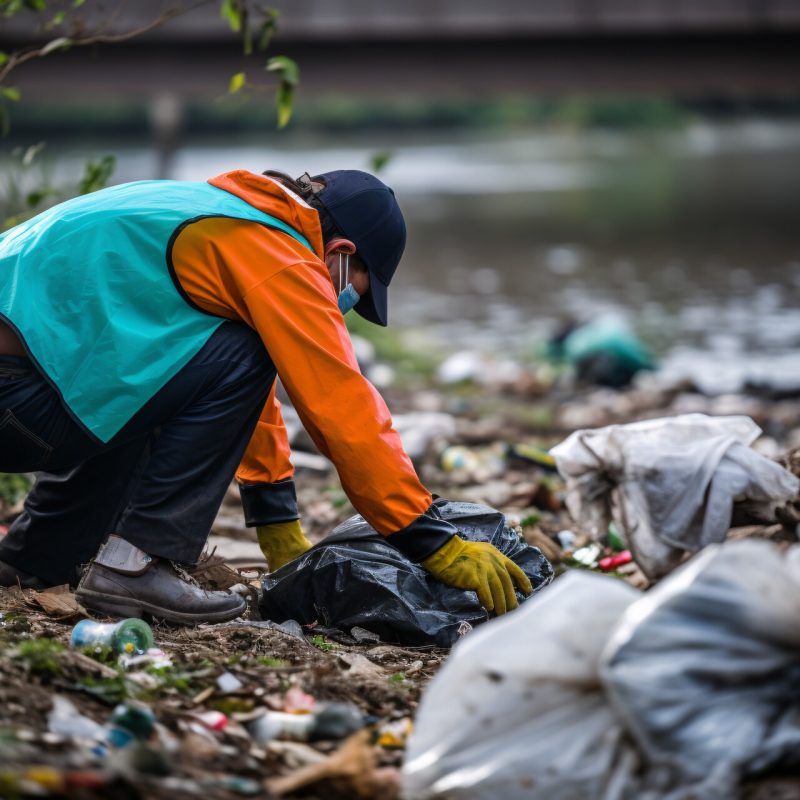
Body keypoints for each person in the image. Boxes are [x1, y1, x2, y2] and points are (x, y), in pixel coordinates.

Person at [0, 167, 532, 624]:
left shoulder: (211, 211)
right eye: (354, 291)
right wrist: (430, 539)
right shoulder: (281, 255)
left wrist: (276, 519)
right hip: (15, 401)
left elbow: (203, 382)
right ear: (341, 254)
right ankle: (136, 564)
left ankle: (35, 557)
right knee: (245, 350)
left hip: (21, 397)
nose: (342, 302)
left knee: (161, 368)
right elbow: (339, 405)